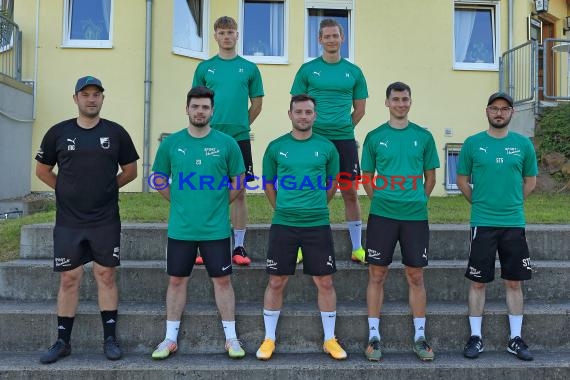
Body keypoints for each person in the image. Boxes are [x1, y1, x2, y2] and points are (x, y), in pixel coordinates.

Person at [35, 76, 139, 364]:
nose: (91, 99)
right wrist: (66, 189)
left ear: (103, 99)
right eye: (85, 94)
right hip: (69, 221)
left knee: (105, 275)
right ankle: (62, 341)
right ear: (76, 99)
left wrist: (107, 188)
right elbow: (42, 171)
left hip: (105, 219)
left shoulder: (116, 133)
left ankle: (110, 339)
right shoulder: (58, 133)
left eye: (96, 94)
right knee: (70, 278)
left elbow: (130, 171)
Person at [150, 86, 246, 360]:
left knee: (223, 281)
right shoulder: (171, 143)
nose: (200, 111)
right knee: (177, 280)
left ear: (212, 111)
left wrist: (219, 203)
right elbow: (158, 179)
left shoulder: (227, 144)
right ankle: (169, 339)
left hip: (215, 228)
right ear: (187, 109)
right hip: (181, 229)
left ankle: (231, 339)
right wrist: (179, 201)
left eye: (205, 107)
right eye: (196, 106)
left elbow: (238, 181)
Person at [255, 94, 347, 361]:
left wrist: (317, 205)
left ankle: (329, 339)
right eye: (299, 112)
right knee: (276, 280)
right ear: (290, 114)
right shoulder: (276, 147)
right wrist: (282, 207)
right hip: (284, 223)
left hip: (317, 224)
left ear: (315, 115)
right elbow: (269, 184)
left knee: (325, 281)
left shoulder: (328, 148)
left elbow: (332, 184)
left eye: (308, 112)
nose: (303, 116)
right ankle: (269, 338)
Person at [361, 82, 439, 362]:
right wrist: (379, 200)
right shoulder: (374, 136)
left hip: (415, 217)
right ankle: (373, 335)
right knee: (376, 275)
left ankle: (420, 336)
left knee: (415, 275)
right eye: (395, 99)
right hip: (382, 215)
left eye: (405, 99)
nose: (401, 104)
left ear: (410, 101)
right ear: (387, 103)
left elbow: (430, 177)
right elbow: (367, 176)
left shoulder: (423, 136)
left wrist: (419, 199)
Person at [457, 92, 537, 361]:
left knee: (514, 283)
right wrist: (480, 203)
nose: (499, 113)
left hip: (513, 223)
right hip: (483, 222)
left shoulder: (523, 145)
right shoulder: (473, 144)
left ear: (512, 113)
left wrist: (511, 203)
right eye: (494, 108)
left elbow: (530, 181)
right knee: (478, 282)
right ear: (487, 111)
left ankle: (515, 339)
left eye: (504, 108)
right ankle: (476, 338)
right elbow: (462, 180)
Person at [290, 18, 368, 264]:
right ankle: (302, 245)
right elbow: (297, 105)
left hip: (344, 139)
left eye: (336, 36)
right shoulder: (307, 70)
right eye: (327, 36)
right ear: (319, 40)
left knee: (350, 193)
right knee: (310, 192)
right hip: (313, 140)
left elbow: (360, 109)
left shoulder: (354, 72)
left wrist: (342, 128)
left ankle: (357, 247)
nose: (332, 40)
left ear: (342, 38)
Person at [192, 15, 264, 266]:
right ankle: (204, 245)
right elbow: (196, 102)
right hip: (208, 137)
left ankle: (239, 247)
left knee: (240, 192)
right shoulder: (204, 68)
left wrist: (241, 125)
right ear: (215, 36)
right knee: (208, 190)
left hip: (239, 139)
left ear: (237, 35)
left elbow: (257, 104)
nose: (226, 37)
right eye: (221, 33)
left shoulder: (249, 68)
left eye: (230, 32)